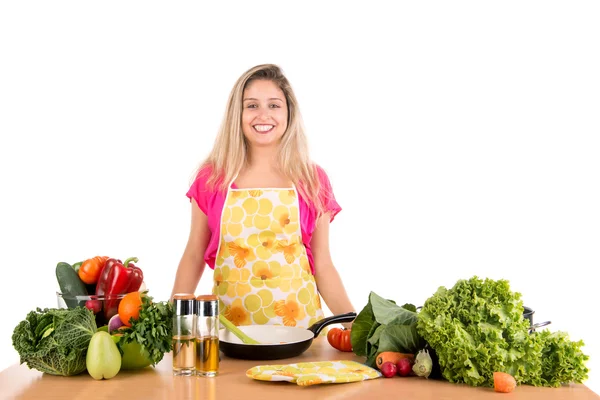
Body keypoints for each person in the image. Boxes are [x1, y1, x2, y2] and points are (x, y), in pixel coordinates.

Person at [171, 64, 354, 329]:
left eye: (274, 105)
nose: (263, 115)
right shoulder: (212, 178)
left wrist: (357, 328)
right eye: (252, 105)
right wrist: (173, 321)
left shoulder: (312, 180)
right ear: (238, 113)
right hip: (229, 336)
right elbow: (194, 254)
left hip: (302, 335)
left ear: (289, 113)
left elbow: (323, 266)